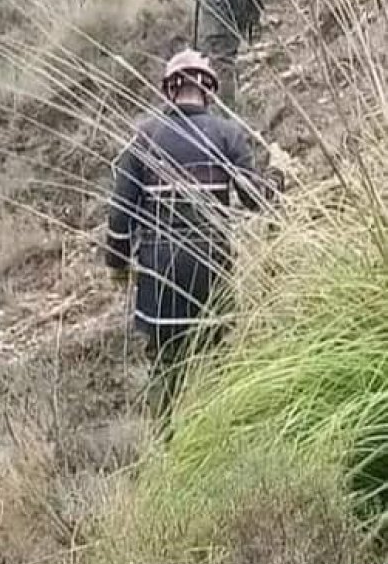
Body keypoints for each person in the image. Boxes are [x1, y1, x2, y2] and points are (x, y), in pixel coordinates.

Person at [105, 49, 283, 424]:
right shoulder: (226, 134)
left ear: (170, 89)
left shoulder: (145, 136)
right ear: (208, 91)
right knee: (214, 361)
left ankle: (165, 445)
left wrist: (118, 266)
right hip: (211, 267)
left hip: (159, 273)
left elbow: (120, 212)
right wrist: (277, 180)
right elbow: (255, 200)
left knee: (166, 365)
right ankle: (213, 438)